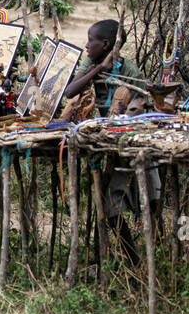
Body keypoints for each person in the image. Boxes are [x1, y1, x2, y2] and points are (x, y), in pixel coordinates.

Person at [64, 18, 157, 261]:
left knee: (120, 204)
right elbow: (70, 91)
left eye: (91, 41)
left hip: (128, 143)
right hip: (101, 139)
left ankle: (138, 260)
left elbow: (138, 112)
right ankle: (128, 258)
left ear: (106, 44)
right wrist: (99, 67)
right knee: (105, 204)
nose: (86, 46)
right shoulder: (92, 61)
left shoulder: (129, 72)